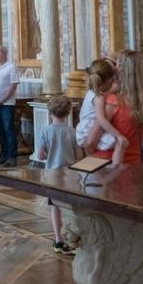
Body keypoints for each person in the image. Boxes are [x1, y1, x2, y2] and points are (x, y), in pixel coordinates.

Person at [95, 50, 143, 166]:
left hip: (105, 164)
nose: (114, 69)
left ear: (123, 71)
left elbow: (91, 140)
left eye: (117, 65)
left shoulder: (113, 100)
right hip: (134, 162)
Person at [37, 95, 81, 255]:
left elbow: (40, 156)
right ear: (69, 113)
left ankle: (58, 240)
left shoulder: (45, 131)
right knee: (71, 207)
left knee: (55, 207)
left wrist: (50, 155)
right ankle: (73, 239)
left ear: (50, 113)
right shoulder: (72, 132)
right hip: (70, 174)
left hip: (52, 174)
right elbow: (79, 155)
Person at [76, 58, 124, 159]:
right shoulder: (99, 98)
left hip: (82, 131)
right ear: (108, 81)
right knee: (117, 142)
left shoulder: (91, 92)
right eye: (112, 79)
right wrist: (118, 135)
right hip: (87, 133)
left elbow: (110, 90)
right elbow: (101, 119)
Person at [0, 45, 19, 166]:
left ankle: (11, 157)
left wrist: (2, 100)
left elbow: (13, 86)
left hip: (7, 103)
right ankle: (3, 154)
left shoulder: (11, 67)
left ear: (4, 53)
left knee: (8, 129)